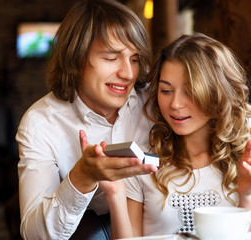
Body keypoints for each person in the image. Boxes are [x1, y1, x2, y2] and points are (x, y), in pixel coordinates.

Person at [103, 33, 251, 238]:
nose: (175, 104)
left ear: (217, 93)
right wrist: (115, 194)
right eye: (166, 90)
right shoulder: (144, 162)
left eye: (189, 91)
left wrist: (247, 194)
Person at [15, 0, 157, 239]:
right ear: (76, 59)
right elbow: (34, 234)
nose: (128, 73)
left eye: (134, 58)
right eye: (112, 58)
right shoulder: (40, 123)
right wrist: (82, 177)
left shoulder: (156, 101)